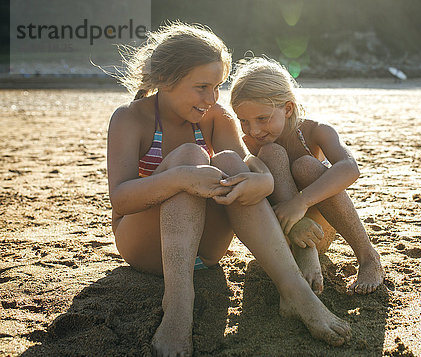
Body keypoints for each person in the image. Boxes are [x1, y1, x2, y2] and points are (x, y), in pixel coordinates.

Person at [107, 22, 351, 356]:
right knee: (191, 157)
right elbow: (120, 199)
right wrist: (180, 178)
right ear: (165, 80)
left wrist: (262, 181)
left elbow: (249, 165)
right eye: (202, 87)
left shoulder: (215, 116)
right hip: (146, 248)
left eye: (217, 86)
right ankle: (178, 304)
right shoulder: (129, 119)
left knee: (228, 162)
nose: (212, 98)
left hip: (205, 250)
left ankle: (293, 290)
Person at [228, 57, 384, 296]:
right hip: (279, 238)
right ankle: (302, 255)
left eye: (262, 118)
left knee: (305, 166)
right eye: (244, 121)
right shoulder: (250, 141)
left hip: (318, 230)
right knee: (270, 153)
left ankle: (368, 256)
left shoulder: (316, 131)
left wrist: (300, 203)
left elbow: (350, 167)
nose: (254, 130)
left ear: (287, 108)